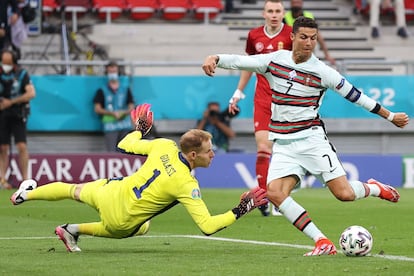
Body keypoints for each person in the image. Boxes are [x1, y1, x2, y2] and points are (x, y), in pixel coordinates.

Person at [201, 16, 409, 256]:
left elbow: (356, 96)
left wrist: (390, 116)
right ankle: (321, 241)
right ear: (292, 37)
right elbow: (242, 61)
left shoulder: (322, 72)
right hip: (283, 143)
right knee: (276, 193)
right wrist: (215, 57)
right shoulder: (274, 61)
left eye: (313, 38)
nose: (309, 43)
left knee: (344, 194)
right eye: (303, 37)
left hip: (311, 140)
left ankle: (374, 188)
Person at [10, 103, 267, 252]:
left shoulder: (164, 145)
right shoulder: (187, 184)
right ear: (192, 155)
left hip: (110, 191)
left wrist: (139, 130)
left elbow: (124, 144)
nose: (213, 154)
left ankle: (25, 194)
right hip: (121, 220)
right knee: (139, 226)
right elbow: (208, 227)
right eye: (208, 150)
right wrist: (241, 209)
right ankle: (72, 230)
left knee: (72, 189)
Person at [229, 0, 292, 216]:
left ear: (283, 14)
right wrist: (238, 92)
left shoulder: (292, 35)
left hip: (287, 102)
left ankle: (281, 197)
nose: (274, 15)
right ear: (264, 14)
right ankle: (263, 197)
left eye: (278, 11)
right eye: (270, 11)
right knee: (264, 147)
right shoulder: (254, 36)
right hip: (263, 101)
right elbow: (249, 64)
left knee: (287, 151)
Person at [0, 49, 35, 189]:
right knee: (3, 147)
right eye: (4, 62)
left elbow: (31, 93)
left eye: (8, 63)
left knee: (22, 146)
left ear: (13, 62)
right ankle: (2, 180)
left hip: (18, 113)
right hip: (2, 114)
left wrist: (12, 102)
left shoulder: (22, 74)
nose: (5, 65)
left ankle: (25, 179)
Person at [93, 61, 135, 152]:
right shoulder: (102, 90)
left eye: (114, 72)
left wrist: (123, 112)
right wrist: (111, 113)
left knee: (125, 152)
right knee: (111, 152)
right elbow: (97, 108)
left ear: (118, 72)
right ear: (107, 73)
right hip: (110, 125)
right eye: (110, 72)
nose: (112, 74)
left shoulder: (125, 89)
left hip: (125, 125)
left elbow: (131, 106)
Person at [284, 0, 335, 65]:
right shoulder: (285, 17)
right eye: (294, 2)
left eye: (298, 2)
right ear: (291, 3)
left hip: (307, 56)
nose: (296, 5)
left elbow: (319, 36)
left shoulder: (309, 16)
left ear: (302, 3)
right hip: (291, 53)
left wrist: (327, 55)